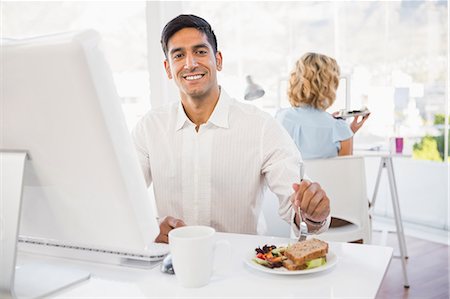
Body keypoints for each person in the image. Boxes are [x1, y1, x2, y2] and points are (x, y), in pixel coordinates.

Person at [132, 15, 331, 243]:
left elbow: (297, 205)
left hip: (241, 266)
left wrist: (313, 215)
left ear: (218, 60)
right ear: (168, 68)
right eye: (179, 55)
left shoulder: (261, 126)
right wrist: (150, 227)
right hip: (172, 265)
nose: (190, 64)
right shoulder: (150, 127)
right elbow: (123, 199)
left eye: (200, 51)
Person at [275, 52, 370, 160]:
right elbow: (344, 174)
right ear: (329, 86)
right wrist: (347, 132)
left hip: (290, 177)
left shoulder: (280, 118)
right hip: (327, 177)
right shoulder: (339, 129)